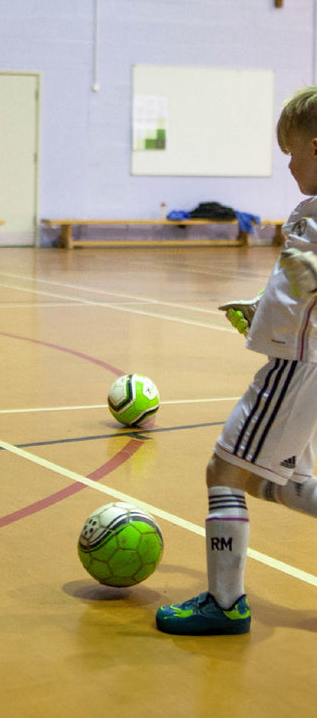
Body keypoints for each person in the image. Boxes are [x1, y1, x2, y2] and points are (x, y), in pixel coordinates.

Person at [156, 86, 317, 635]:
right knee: (279, 481)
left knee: (224, 470)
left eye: (292, 154)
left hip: (297, 370)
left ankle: (225, 605)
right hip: (305, 359)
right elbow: (301, 290)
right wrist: (264, 309)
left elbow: (310, 281)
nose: (289, 166)